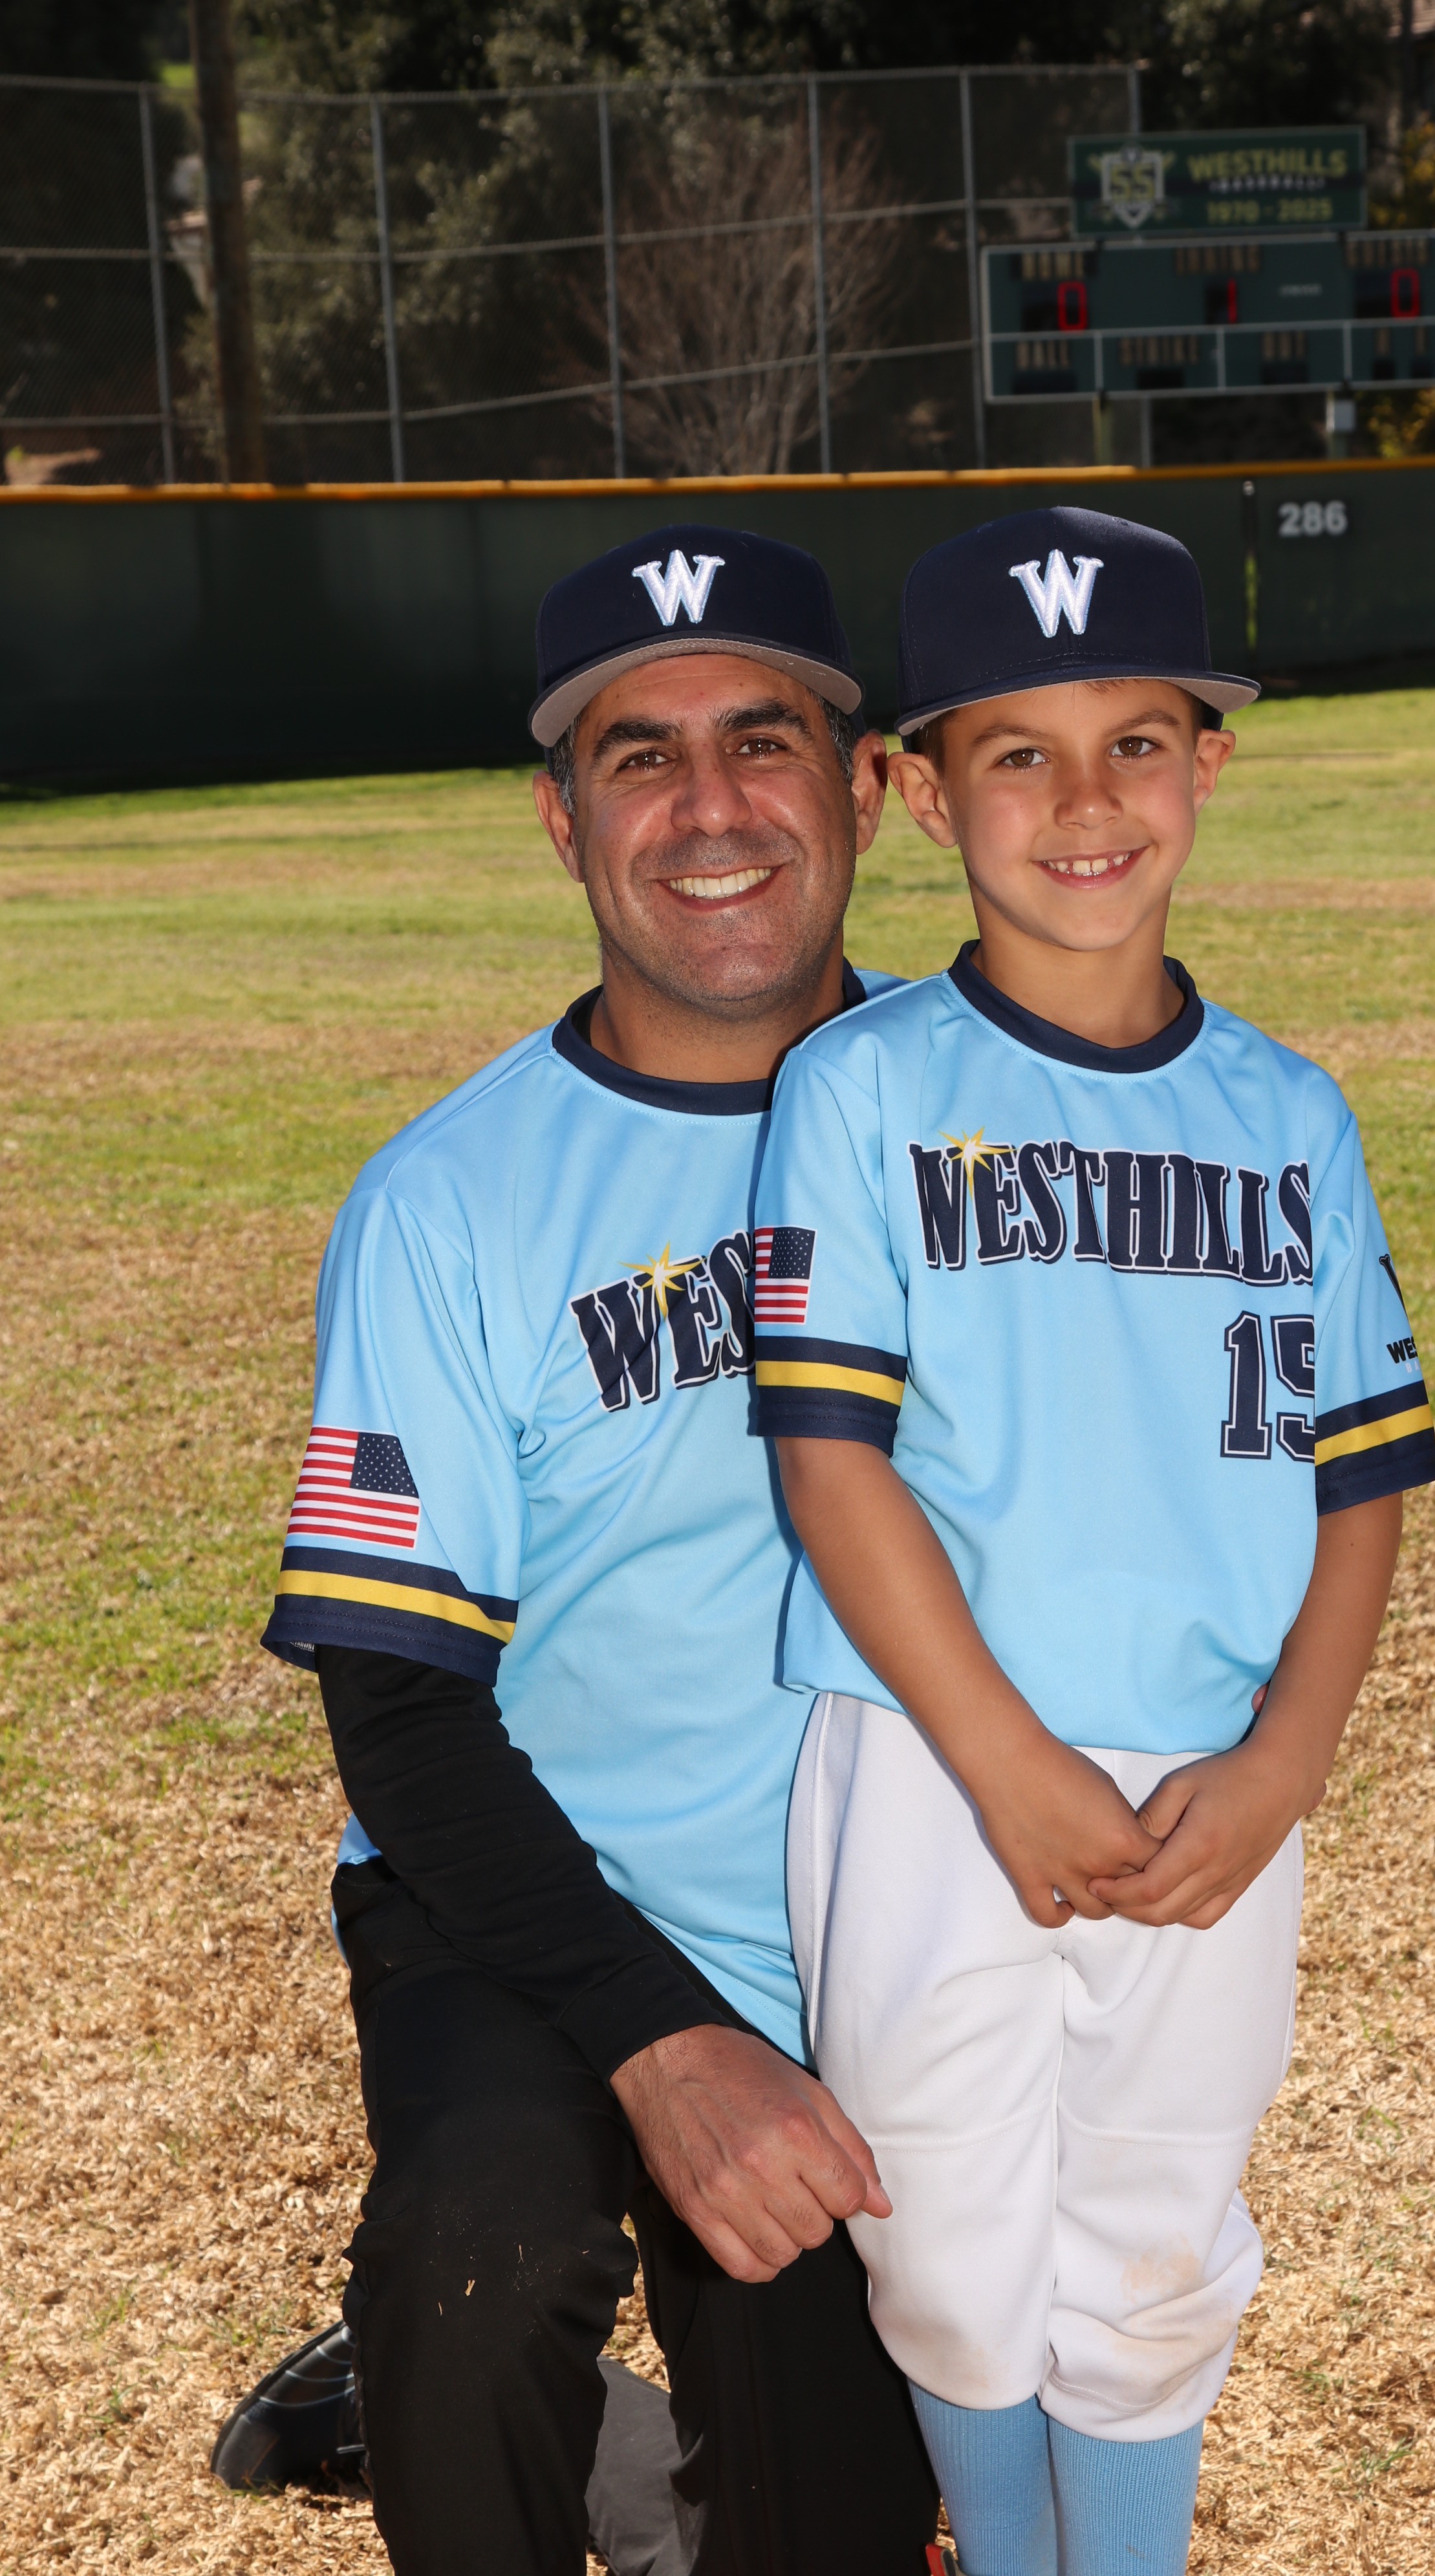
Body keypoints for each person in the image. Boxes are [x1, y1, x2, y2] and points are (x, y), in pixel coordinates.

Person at [214, 526, 940, 2576]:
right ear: (561, 819)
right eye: (640, 756)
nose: (711, 809)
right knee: (485, 2255)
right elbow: (399, 1705)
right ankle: (417, 2378)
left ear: (864, 786)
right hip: (524, 1896)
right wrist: (660, 2040)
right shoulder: (448, 1202)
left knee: (829, 2510)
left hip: (870, 1917)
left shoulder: (982, 1127)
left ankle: (624, 2455)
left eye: (762, 740)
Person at [750, 507, 1435, 2576]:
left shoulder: (1290, 1114)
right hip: (929, 1758)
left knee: (1152, 2241)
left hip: (1213, 1772)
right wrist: (1005, 1762)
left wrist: (1289, 1760)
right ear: (920, 789)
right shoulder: (860, 1087)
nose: (1084, 803)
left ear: (1207, 763)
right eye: (1017, 753)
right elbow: (833, 1463)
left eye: (1135, 742)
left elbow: (1361, 1474)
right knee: (944, 2244)